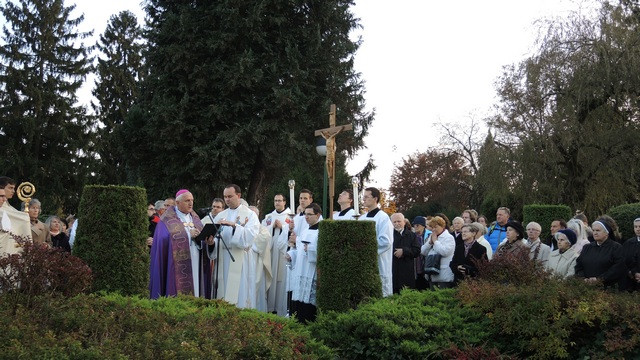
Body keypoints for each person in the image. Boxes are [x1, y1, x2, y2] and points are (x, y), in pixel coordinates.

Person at [149, 189, 215, 299]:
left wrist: (208, 242)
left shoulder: (195, 218)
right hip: (176, 267)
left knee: (196, 290)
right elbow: (164, 240)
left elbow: (202, 240)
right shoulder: (166, 219)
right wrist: (188, 235)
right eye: (187, 200)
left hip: (196, 263)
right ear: (178, 203)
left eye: (192, 200)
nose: (191, 203)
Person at [212, 184, 260, 308]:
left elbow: (250, 237)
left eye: (230, 196)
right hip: (223, 259)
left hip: (240, 259)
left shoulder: (250, 215)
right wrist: (211, 242)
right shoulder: (220, 215)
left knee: (240, 293)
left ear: (238, 196)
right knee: (222, 291)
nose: (227, 199)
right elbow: (216, 237)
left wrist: (234, 227)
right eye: (225, 197)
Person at [358, 187, 393, 297]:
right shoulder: (362, 218)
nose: (363, 199)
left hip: (379, 262)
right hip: (363, 263)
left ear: (375, 199)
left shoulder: (383, 217)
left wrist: (366, 248)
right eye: (363, 197)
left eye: (366, 197)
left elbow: (386, 241)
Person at [291, 203, 322, 323]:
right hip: (300, 271)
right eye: (305, 214)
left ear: (318, 215)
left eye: (310, 214)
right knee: (297, 306)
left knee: (308, 308)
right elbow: (299, 250)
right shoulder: (304, 231)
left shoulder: (321, 231)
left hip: (311, 271)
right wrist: (291, 255)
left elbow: (320, 251)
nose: (306, 217)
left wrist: (309, 249)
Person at [264, 194, 292, 316]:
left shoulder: (290, 216)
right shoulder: (269, 216)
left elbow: (292, 230)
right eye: (275, 200)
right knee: (271, 276)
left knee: (282, 279)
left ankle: (281, 309)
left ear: (285, 202)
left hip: (283, 253)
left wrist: (282, 227)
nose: (277, 203)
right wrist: (272, 226)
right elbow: (262, 231)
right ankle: (270, 306)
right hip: (271, 252)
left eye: (280, 201)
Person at [575, 218, 624, 287]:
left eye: (598, 230)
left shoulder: (616, 248)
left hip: (607, 288)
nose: (595, 233)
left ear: (606, 233)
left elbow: (617, 268)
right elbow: (579, 265)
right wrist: (583, 278)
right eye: (593, 230)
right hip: (586, 286)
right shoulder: (587, 247)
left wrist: (599, 279)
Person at [420, 216, 455, 289]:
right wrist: (429, 243)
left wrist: (436, 242)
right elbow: (423, 251)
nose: (433, 230)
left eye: (436, 227)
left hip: (444, 274)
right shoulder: (432, 237)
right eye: (432, 228)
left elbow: (445, 252)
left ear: (442, 226)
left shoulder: (449, 237)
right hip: (432, 273)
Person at [249, 205, 272, 312]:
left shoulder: (263, 229)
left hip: (257, 263)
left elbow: (263, 240)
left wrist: (248, 241)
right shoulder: (245, 227)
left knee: (257, 291)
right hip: (246, 263)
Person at [390, 213, 420, 293]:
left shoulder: (411, 235)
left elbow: (417, 250)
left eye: (399, 221)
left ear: (404, 222)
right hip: (393, 271)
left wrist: (404, 251)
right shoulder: (389, 235)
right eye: (394, 222)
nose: (397, 224)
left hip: (407, 271)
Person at [619, 218, 640, 292]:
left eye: (639, 226)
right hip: (630, 281)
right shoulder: (628, 243)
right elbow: (623, 260)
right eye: (635, 227)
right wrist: (630, 272)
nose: (638, 229)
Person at [412, 216, 431, 290]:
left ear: (423, 226)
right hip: (416, 264)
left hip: (426, 262)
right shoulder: (412, 235)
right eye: (414, 225)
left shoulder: (430, 235)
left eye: (417, 225)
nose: (415, 227)